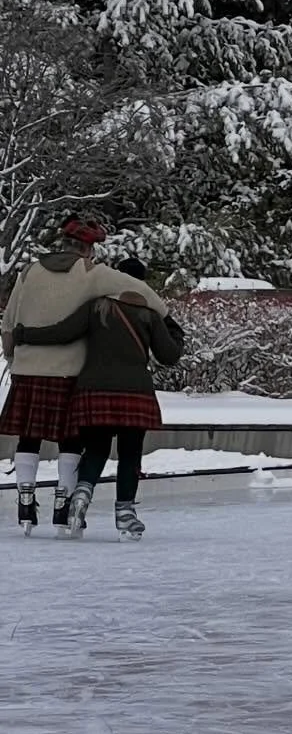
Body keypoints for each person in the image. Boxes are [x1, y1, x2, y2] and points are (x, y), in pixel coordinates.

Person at [2, 213, 169, 532]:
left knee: (28, 436)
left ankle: (25, 501)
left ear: (62, 242)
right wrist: (164, 316)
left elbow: (9, 323)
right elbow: (142, 293)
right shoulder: (93, 273)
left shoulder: (28, 271)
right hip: (69, 373)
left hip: (27, 368)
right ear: (89, 249)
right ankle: (63, 505)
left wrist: (13, 356)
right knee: (71, 441)